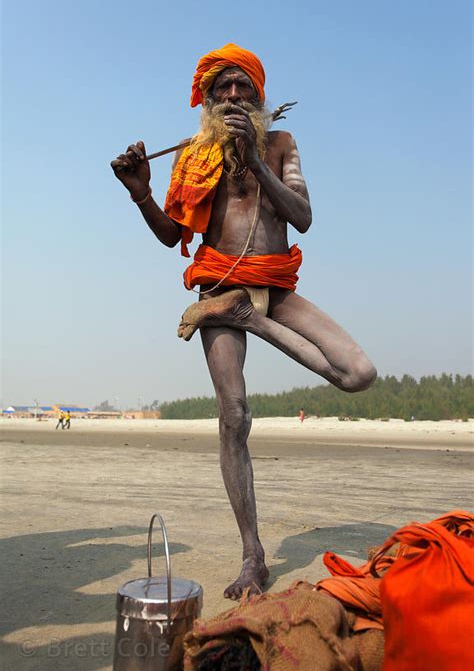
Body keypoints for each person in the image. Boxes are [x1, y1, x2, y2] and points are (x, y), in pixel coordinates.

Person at [111, 43, 377, 600]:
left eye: (243, 86)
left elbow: (302, 217)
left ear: (259, 96)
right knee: (234, 415)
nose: (233, 94)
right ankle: (252, 555)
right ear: (207, 99)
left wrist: (255, 161)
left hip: (275, 289)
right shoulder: (193, 155)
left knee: (358, 373)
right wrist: (140, 195)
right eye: (222, 87)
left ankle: (248, 320)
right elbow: (171, 236)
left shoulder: (281, 145)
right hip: (219, 285)